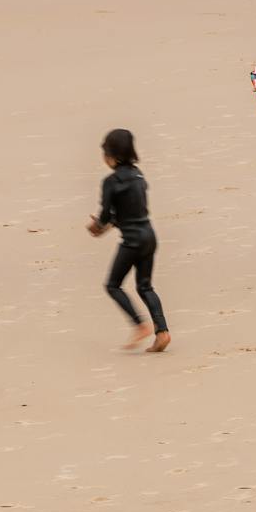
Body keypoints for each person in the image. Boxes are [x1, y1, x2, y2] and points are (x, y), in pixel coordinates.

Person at [88, 129, 170, 352]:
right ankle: (162, 332)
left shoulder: (111, 182)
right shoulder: (138, 175)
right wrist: (113, 222)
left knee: (112, 285)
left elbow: (105, 215)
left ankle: (139, 324)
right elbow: (134, 210)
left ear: (111, 156)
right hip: (149, 236)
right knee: (145, 287)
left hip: (132, 240)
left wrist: (97, 226)